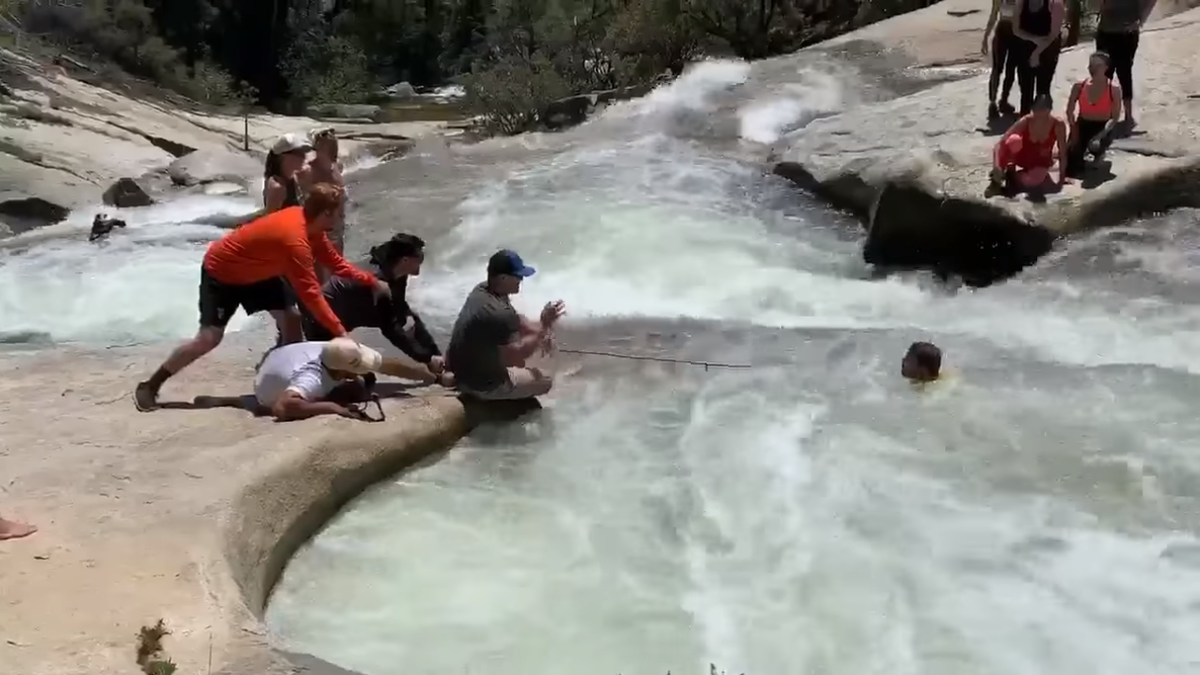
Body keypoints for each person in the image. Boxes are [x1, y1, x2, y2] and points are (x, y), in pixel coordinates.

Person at [133, 184, 389, 411]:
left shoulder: (312, 227)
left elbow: (335, 263)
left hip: (258, 270)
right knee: (209, 339)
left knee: (291, 318)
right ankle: (150, 385)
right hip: (222, 272)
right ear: (326, 214)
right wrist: (341, 334)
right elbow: (311, 294)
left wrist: (371, 280)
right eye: (340, 212)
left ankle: (288, 385)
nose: (343, 216)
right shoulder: (295, 240)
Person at [301, 233, 444, 371]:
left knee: (410, 316)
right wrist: (424, 358)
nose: (422, 260)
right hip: (320, 324)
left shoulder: (397, 271)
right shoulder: (377, 282)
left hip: (346, 315)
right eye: (419, 257)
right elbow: (390, 329)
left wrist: (407, 316)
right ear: (405, 260)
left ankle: (438, 359)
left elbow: (399, 303)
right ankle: (432, 362)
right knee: (357, 377)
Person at [445, 249, 566, 401]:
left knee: (519, 358)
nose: (521, 280)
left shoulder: (483, 290)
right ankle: (493, 399)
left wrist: (541, 327)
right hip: (481, 385)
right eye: (518, 276)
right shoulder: (498, 313)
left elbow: (516, 321)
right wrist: (543, 329)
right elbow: (517, 355)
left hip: (460, 371)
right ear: (503, 278)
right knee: (545, 379)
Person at [254, 337, 453, 421]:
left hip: (280, 357)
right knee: (352, 392)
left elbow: (389, 365)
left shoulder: (339, 350)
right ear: (341, 372)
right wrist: (332, 408)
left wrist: (434, 378)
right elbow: (281, 407)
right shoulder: (313, 378)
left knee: (357, 388)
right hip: (265, 388)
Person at [1095, 0, 1156, 127]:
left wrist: (1141, 19)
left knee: (1121, 71)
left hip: (1125, 31)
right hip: (1108, 29)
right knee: (1109, 72)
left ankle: (1125, 114)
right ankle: (1107, 112)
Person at [991, 94, 1068, 192]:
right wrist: (997, 165)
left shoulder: (1058, 125)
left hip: (1040, 162)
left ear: (1048, 110)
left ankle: (1012, 176)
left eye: (1041, 110)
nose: (1037, 113)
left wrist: (1062, 178)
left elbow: (1063, 152)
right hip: (1021, 158)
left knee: (1033, 182)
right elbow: (1001, 143)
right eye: (1035, 109)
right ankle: (1005, 171)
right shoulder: (1027, 120)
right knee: (1014, 140)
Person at [1064, 52, 1122, 178]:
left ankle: (1099, 153)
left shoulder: (1113, 88)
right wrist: (1074, 130)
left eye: (1097, 66)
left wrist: (1099, 136)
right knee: (1071, 165)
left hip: (1103, 125)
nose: (1092, 69)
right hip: (1083, 123)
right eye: (1091, 65)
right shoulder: (1079, 86)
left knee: (1097, 144)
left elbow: (1115, 117)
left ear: (1106, 68)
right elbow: (1069, 111)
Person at [1011, 0, 1064, 115]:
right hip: (1025, 48)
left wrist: (1036, 53)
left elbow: (1053, 34)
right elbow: (1016, 29)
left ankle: (1043, 120)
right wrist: (1033, 39)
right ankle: (1025, 118)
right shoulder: (1021, 2)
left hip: (1048, 49)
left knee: (1043, 90)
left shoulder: (1055, 3)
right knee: (1025, 89)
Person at [300, 128, 347, 254]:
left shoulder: (337, 166)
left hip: (338, 226)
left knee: (338, 261)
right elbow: (302, 201)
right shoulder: (308, 171)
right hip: (318, 228)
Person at [982, 0, 1020, 120]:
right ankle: (992, 103)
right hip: (1001, 33)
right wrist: (985, 38)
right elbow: (993, 16)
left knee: (1011, 69)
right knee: (997, 69)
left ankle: (1004, 100)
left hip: (1016, 34)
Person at [264, 133, 310, 213]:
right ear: (283, 157)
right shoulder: (277, 188)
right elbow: (271, 218)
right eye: (298, 153)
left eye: (303, 153)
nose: (304, 156)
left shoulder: (293, 178)